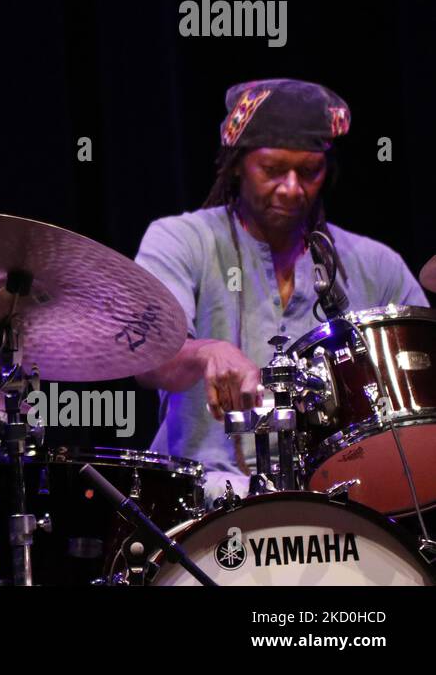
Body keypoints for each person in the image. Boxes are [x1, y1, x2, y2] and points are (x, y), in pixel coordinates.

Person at [133, 79, 428, 502]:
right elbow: (146, 358)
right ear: (236, 164)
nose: (292, 188)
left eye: (309, 172)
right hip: (199, 497)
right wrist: (205, 351)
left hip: (341, 504)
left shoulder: (375, 264)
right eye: (272, 170)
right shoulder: (181, 240)